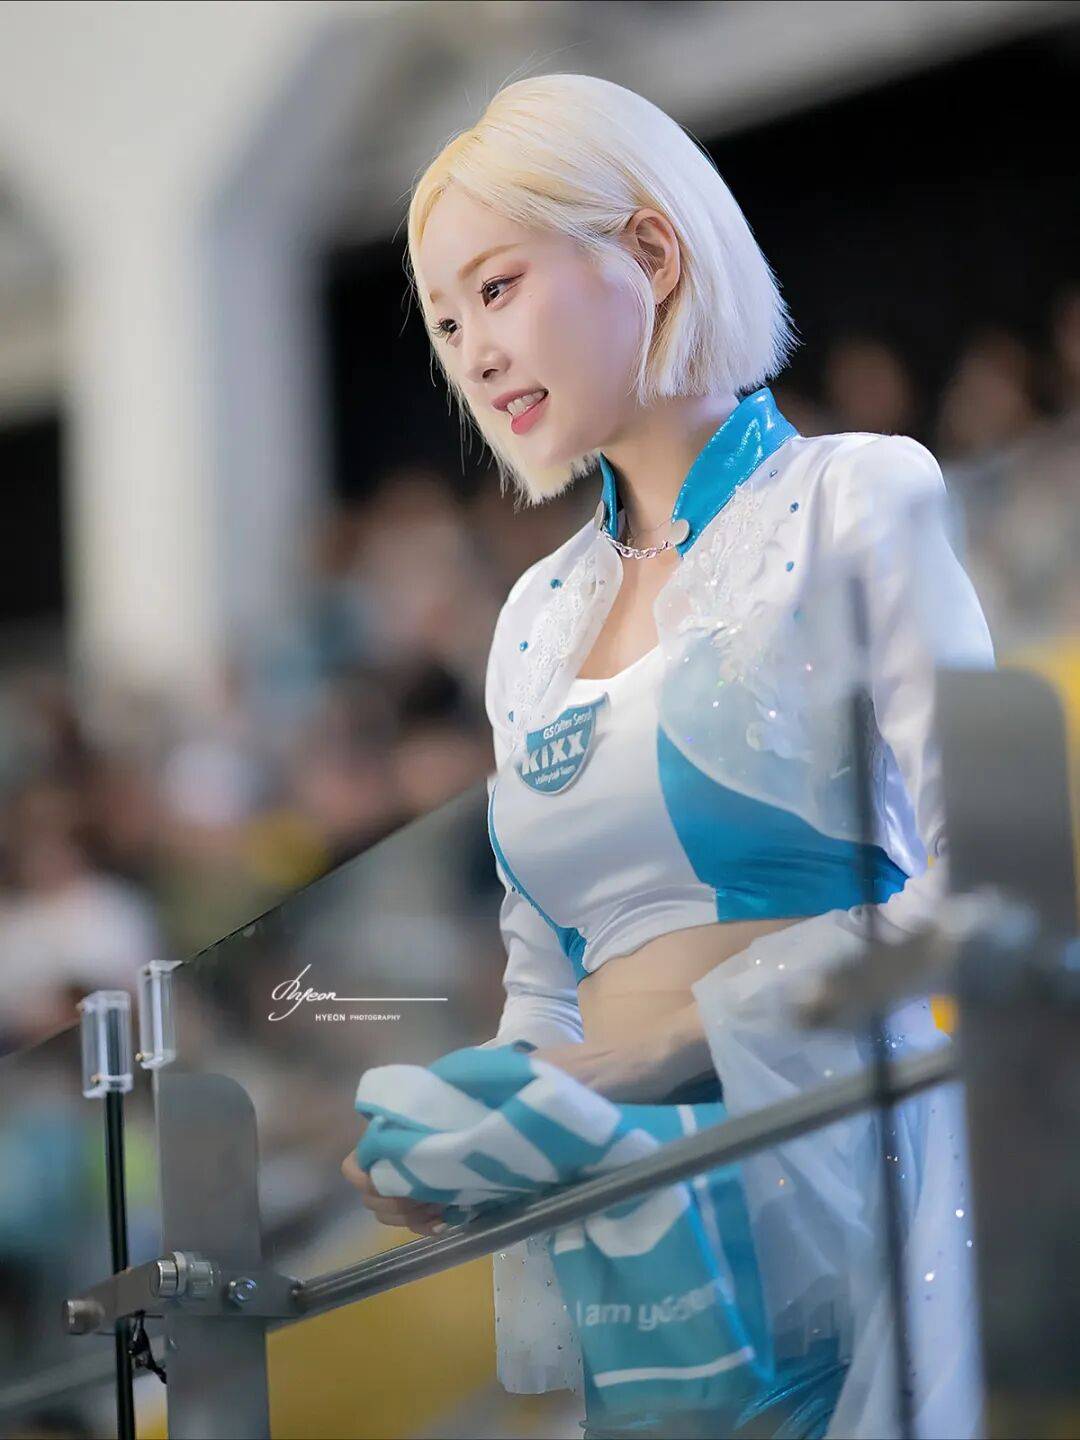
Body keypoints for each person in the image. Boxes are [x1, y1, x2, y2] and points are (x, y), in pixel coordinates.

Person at [343, 71, 995, 1439]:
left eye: (498, 288)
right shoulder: (532, 618)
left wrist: (657, 1059)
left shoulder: (854, 498)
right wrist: (478, 1131)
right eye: (447, 322)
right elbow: (543, 979)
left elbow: (988, 891)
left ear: (650, 251)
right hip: (640, 1252)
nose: (473, 353)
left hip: (845, 1196)